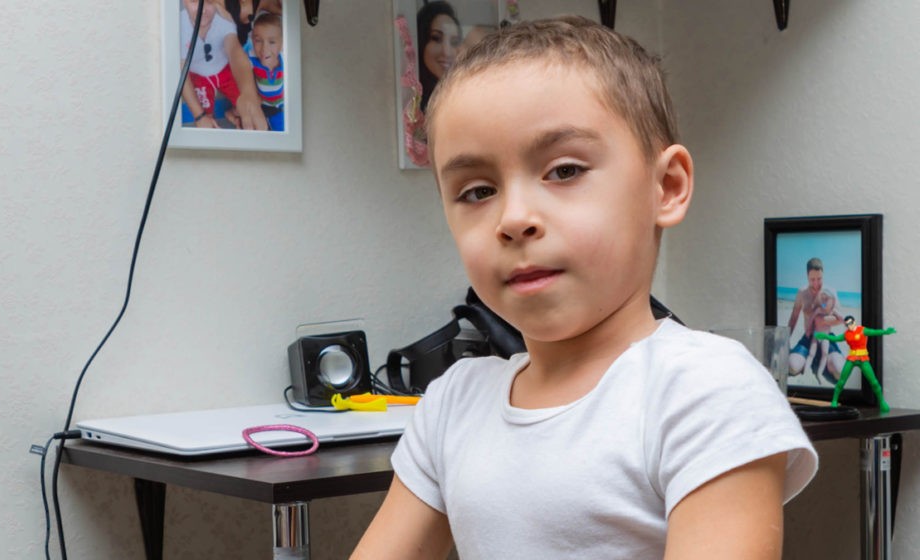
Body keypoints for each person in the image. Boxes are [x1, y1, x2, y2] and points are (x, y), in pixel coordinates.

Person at [352, 16, 816, 559]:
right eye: (478, 191)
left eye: (565, 171)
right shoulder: (453, 405)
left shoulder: (703, 390)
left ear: (666, 187)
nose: (514, 219)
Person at [179, 0, 268, 130]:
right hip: (198, 75)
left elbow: (234, 51)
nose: (203, 10)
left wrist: (248, 93)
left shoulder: (224, 18)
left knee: (252, 107)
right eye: (193, 1)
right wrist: (199, 116)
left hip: (225, 69)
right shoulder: (178, 26)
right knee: (206, 122)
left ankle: (231, 112)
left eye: (209, 2)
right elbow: (181, 72)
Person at [816, 316, 895, 412]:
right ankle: (834, 401)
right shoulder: (847, 334)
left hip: (863, 359)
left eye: (850, 323)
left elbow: (874, 332)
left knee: (874, 382)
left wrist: (885, 332)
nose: (849, 326)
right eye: (847, 325)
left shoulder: (862, 330)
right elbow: (836, 338)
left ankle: (882, 401)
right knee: (841, 381)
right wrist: (826, 336)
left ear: (854, 322)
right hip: (851, 359)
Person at [787, 257, 845, 382]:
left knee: (840, 371)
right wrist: (785, 339)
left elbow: (839, 319)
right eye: (812, 279)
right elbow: (794, 317)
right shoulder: (802, 293)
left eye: (819, 279)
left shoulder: (830, 293)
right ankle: (813, 360)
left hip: (826, 336)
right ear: (807, 276)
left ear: (823, 274)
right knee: (792, 367)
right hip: (809, 337)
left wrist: (822, 320)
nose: (816, 283)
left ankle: (825, 360)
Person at [416, 1, 462, 113]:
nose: (447, 52)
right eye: (436, 38)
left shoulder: (461, 94)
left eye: (454, 42)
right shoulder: (410, 97)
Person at [248, 12, 284, 131]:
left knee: (282, 128)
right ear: (252, 40)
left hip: (281, 104)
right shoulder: (251, 59)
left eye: (272, 42)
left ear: (282, 43)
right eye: (258, 41)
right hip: (263, 105)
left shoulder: (285, 60)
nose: (264, 49)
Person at [802, 290, 843, 383]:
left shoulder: (832, 311)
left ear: (832, 301)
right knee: (811, 354)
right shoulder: (818, 310)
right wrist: (808, 329)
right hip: (816, 335)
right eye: (823, 299)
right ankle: (806, 371)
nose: (824, 302)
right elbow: (811, 319)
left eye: (826, 299)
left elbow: (841, 319)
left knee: (825, 354)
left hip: (825, 336)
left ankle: (819, 373)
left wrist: (836, 314)